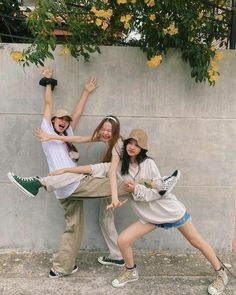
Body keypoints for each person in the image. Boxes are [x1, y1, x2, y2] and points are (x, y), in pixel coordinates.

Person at [99, 129, 227, 295]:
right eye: (130, 143)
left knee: (197, 242)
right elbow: (109, 161)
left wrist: (137, 188)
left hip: (169, 210)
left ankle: (221, 273)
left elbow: (160, 191)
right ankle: (130, 271)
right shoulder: (120, 168)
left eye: (137, 145)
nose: (132, 147)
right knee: (122, 240)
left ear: (142, 149)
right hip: (149, 216)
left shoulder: (149, 164)